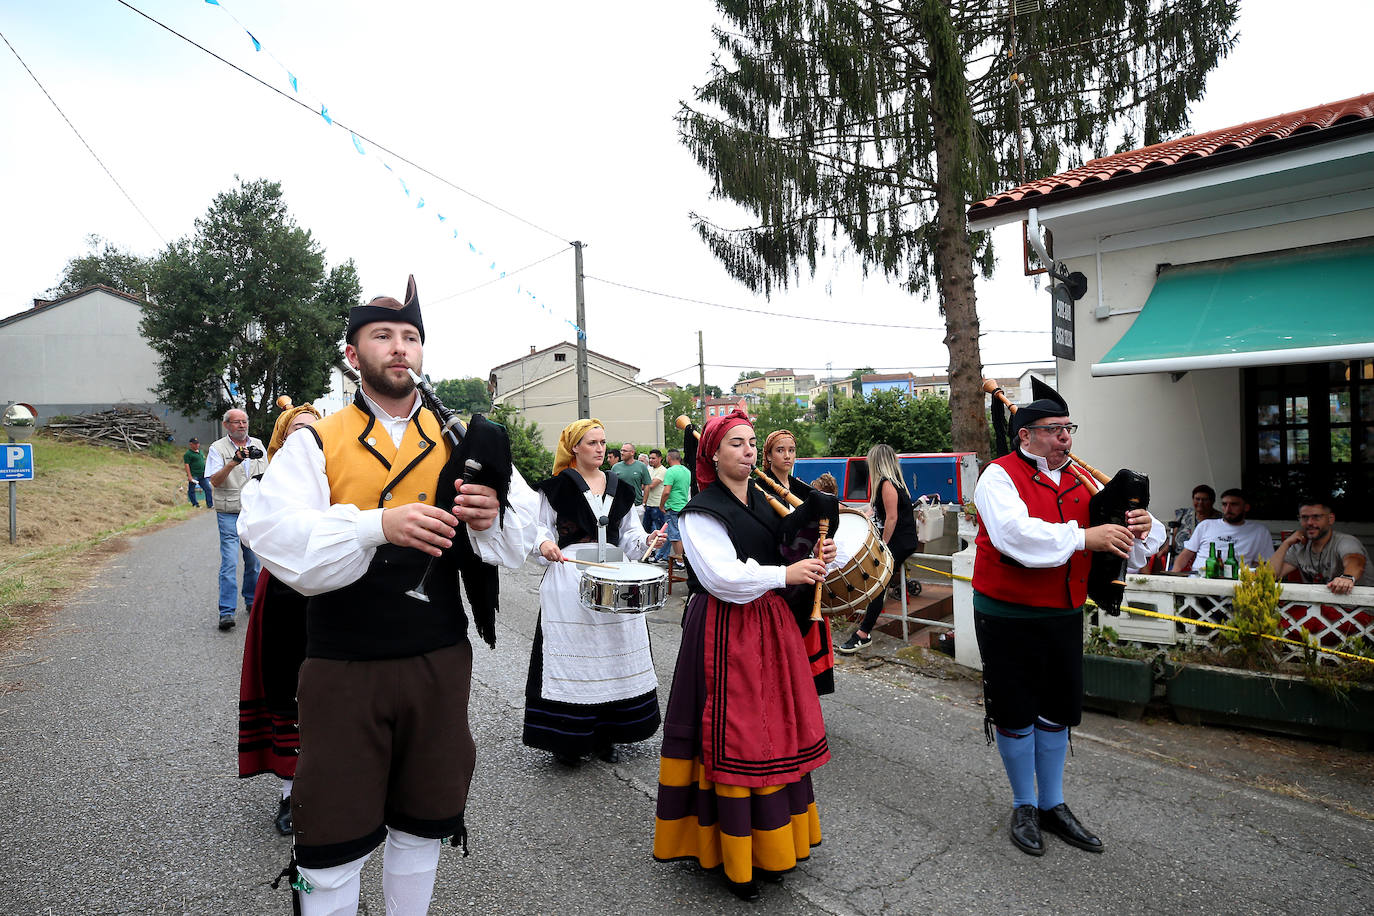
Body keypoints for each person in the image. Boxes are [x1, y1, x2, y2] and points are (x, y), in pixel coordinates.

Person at [239, 276, 539, 916]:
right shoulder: (317, 439)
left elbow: (526, 535)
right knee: (330, 838)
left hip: (437, 658)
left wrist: (491, 517)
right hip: (343, 663)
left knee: (424, 821)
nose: (399, 348)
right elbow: (271, 533)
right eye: (383, 336)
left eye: (410, 337)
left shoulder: (463, 439)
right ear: (354, 355)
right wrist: (378, 525)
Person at [653, 409, 838, 902]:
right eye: (736, 443)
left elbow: (783, 552)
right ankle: (733, 856)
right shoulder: (700, 510)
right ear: (712, 454)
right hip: (724, 630)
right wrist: (787, 575)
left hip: (769, 627)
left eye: (752, 442)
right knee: (734, 734)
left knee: (772, 732)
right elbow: (722, 577)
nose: (749, 450)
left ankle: (772, 846)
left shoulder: (763, 498)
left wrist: (817, 557)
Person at [974, 379, 1163, 857]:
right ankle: (1024, 805)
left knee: (1056, 710)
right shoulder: (998, 476)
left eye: (1068, 428)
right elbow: (1015, 535)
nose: (1065, 437)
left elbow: (1138, 548)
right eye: (1053, 429)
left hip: (1063, 612)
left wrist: (1143, 528)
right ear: (1025, 436)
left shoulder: (1086, 482)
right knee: (1015, 711)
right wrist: (1086, 538)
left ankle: (1053, 805)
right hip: (1007, 614)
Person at [524, 420, 666, 766]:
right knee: (574, 656)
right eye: (592, 443)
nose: (600, 448)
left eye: (603, 442)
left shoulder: (619, 488)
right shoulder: (556, 488)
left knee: (613, 655)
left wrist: (647, 541)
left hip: (615, 579)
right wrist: (544, 543)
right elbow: (538, 528)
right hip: (570, 580)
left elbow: (629, 536)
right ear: (574, 448)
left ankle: (606, 736)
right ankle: (567, 741)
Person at [237, 397, 321, 836]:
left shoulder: (341, 481)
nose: (308, 439)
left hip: (335, 593)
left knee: (336, 689)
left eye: (315, 430)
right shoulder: (262, 486)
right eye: (297, 432)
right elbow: (256, 537)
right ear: (281, 442)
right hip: (285, 594)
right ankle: (292, 794)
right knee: (287, 685)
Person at [758, 427, 837, 694]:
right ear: (768, 456)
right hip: (777, 574)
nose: (787, 456)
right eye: (780, 450)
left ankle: (803, 699)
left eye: (791, 450)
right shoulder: (758, 487)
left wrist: (823, 545)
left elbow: (819, 526)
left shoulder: (805, 490)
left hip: (807, 577)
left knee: (807, 640)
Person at [837, 443, 919, 655]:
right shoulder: (894, 482)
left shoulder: (886, 484)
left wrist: (882, 545)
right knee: (875, 581)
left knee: (877, 584)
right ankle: (863, 630)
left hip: (900, 540)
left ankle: (863, 633)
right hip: (905, 538)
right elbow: (874, 510)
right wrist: (850, 511)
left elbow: (891, 518)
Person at [206, 408, 269, 631]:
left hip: (253, 513)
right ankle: (226, 612)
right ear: (226, 425)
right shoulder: (217, 448)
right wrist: (233, 462)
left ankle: (251, 601)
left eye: (244, 422)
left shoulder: (259, 445)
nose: (242, 425)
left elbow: (268, 476)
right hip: (229, 512)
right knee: (230, 562)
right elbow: (214, 480)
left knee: (253, 562)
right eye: (236, 422)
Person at [1270, 498, 1372, 593]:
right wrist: (1286, 544)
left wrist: (1347, 578)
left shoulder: (1345, 541)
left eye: (1316, 517)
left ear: (1330, 519)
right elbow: (1271, 575)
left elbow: (1355, 560)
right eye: (1304, 517)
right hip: (1320, 606)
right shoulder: (1299, 545)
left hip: (1356, 607)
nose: (1309, 522)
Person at [1171, 488, 1274, 575]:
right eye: (1225, 504)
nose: (1228, 509)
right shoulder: (1206, 525)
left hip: (1237, 584)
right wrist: (1174, 577)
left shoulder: (1259, 531)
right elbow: (1185, 555)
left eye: (1234, 505)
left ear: (1246, 507)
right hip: (1200, 581)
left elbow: (1263, 564)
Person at [653, 448, 691, 563]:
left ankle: (680, 561)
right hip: (683, 505)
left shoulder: (670, 471)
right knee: (677, 534)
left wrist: (661, 505)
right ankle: (664, 557)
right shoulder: (687, 471)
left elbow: (666, 492)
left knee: (675, 536)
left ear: (668, 458)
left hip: (673, 506)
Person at [1172, 484, 1217, 557]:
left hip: (1207, 560)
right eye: (1197, 499)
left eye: (1205, 499)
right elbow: (1172, 538)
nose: (1200, 503)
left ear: (1212, 501)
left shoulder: (1220, 519)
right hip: (1180, 559)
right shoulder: (1183, 514)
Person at [643, 448, 667, 533]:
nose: (651, 460)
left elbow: (651, 485)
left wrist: (645, 484)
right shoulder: (649, 470)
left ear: (660, 458)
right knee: (646, 531)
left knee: (660, 531)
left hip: (657, 505)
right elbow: (644, 484)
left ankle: (660, 547)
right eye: (650, 458)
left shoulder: (663, 470)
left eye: (653, 458)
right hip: (648, 504)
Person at [183, 437, 212, 508]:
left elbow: (204, 462)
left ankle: (210, 504)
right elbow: (187, 465)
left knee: (208, 488)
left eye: (198, 444)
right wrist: (189, 476)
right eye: (195, 444)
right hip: (194, 475)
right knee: (192, 489)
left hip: (202, 474)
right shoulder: (188, 454)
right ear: (191, 444)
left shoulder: (200, 452)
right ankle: (195, 504)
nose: (197, 445)